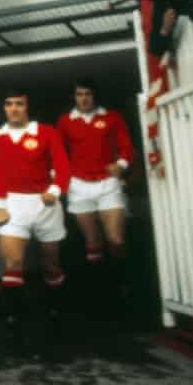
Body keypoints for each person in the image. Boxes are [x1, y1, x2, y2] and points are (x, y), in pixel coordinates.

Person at [0, 89, 70, 360]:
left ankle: (55, 311)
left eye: (19, 104)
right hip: (12, 204)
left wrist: (56, 190)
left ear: (27, 107)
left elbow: (62, 165)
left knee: (50, 263)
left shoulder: (46, 133)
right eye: (9, 103)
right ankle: (13, 319)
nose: (13, 109)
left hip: (44, 203)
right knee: (13, 262)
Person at [55, 78, 134, 322]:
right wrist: (60, 177)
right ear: (74, 97)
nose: (84, 98)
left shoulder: (112, 117)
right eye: (79, 94)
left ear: (95, 96)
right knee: (92, 243)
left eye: (88, 93)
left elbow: (127, 148)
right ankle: (102, 293)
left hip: (108, 184)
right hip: (79, 185)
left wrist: (120, 165)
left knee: (116, 240)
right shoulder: (65, 121)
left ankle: (123, 282)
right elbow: (57, 152)